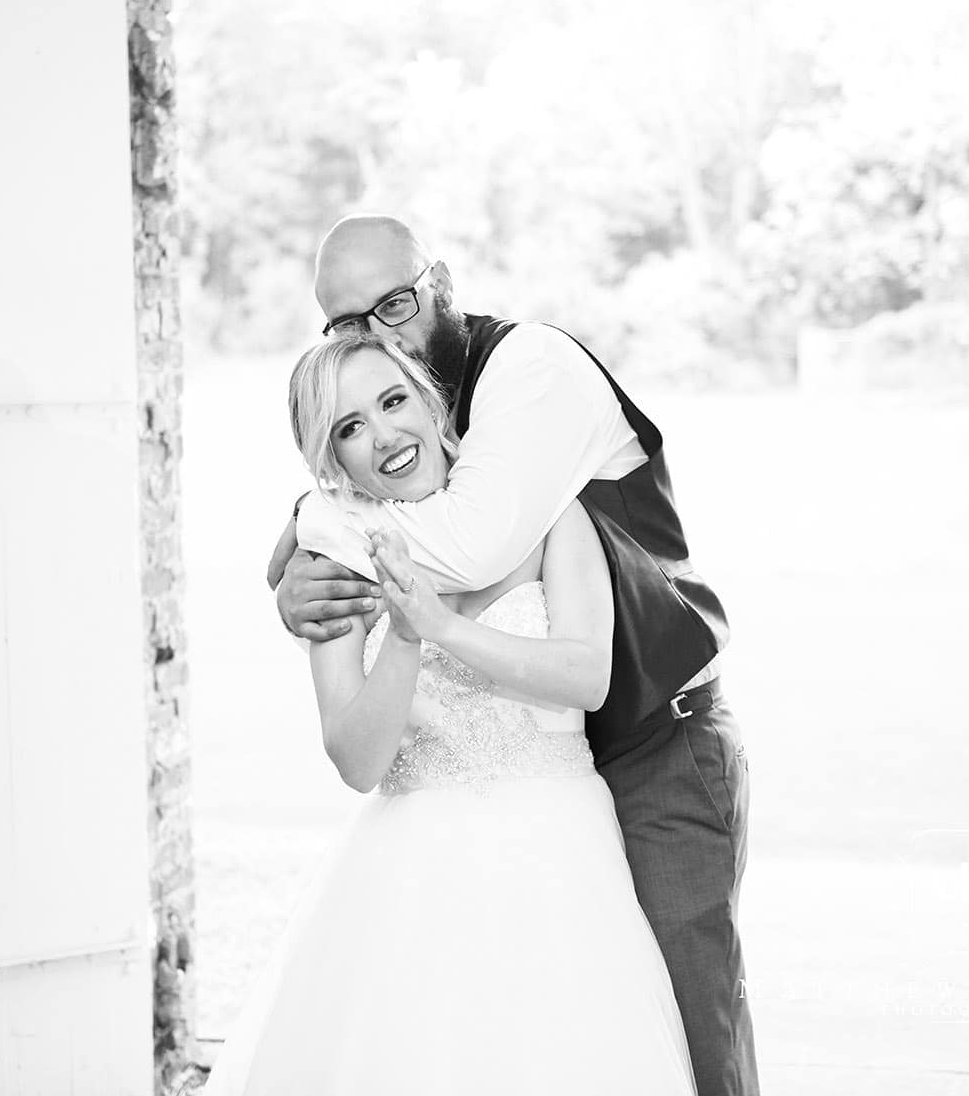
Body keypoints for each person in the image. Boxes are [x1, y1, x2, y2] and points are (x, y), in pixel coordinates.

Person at [270, 217, 757, 1096]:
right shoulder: (417, 424)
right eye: (346, 325)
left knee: (685, 1028)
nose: (376, 335)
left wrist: (321, 531)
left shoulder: (529, 369)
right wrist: (312, 553)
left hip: (654, 744)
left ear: (442, 283)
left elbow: (471, 545)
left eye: (394, 303)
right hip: (489, 805)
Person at [210, 333, 697, 1096]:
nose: (384, 433)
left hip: (558, 858)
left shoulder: (547, 515)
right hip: (410, 876)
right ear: (332, 462)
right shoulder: (335, 561)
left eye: (392, 400)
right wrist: (402, 637)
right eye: (350, 427)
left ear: (434, 409)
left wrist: (439, 624)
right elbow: (356, 759)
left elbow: (586, 675)